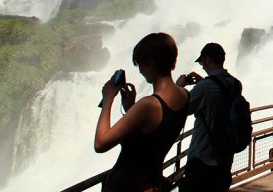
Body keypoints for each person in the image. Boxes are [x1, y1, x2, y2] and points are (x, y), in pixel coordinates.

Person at [95, 32, 189, 192]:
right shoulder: (185, 95)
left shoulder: (149, 105)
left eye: (140, 64)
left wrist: (108, 99)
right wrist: (131, 107)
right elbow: (151, 136)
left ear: (151, 64)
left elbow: (101, 143)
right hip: (153, 182)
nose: (140, 71)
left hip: (131, 185)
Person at [175, 42, 243, 192]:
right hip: (225, 159)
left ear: (207, 60)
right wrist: (203, 82)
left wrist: (178, 88)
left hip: (203, 160)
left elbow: (179, 108)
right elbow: (220, 96)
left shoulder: (205, 87)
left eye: (201, 61)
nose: (202, 65)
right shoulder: (235, 84)